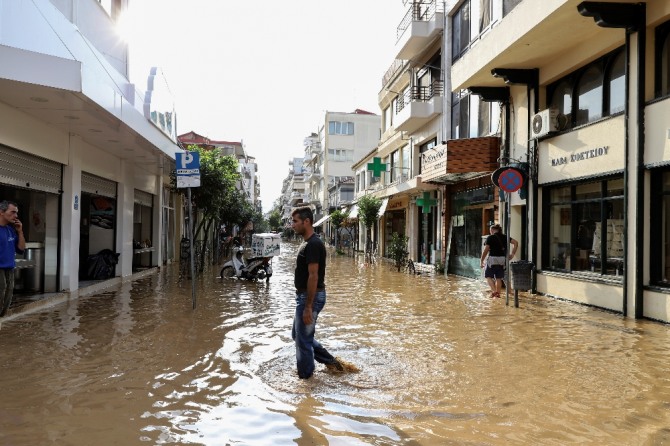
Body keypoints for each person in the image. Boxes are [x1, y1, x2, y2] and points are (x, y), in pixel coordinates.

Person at [291, 206, 344, 379]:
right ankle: (331, 362)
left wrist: (308, 306)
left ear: (306, 222)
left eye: (295, 221)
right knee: (298, 335)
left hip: (309, 297)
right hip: (305, 297)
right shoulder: (308, 242)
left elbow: (313, 276)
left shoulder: (313, 244)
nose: (292, 225)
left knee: (303, 341)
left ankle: (306, 380)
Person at [0, 201, 26, 316]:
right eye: (13, 212)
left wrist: (20, 232)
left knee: (7, 300)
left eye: (17, 213)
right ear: (1, 212)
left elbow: (20, 249)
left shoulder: (10, 230)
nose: (16, 216)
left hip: (9, 268)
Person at [480, 223, 518, 298]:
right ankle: (498, 294)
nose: (490, 232)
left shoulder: (490, 237)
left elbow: (486, 250)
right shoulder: (505, 237)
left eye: (490, 231)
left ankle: (494, 292)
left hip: (493, 259)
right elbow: (516, 243)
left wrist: (481, 260)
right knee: (499, 277)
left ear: (493, 230)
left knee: (488, 276)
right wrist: (512, 254)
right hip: (502, 259)